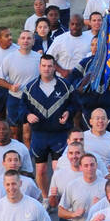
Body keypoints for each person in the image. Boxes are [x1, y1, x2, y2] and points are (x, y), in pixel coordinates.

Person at [22, 54, 74, 202]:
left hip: (59, 134)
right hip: (39, 135)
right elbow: (22, 107)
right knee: (41, 169)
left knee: (59, 169)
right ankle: (45, 198)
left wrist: (68, 112)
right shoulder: (30, 88)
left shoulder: (65, 86)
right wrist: (27, 115)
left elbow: (75, 103)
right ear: (39, 67)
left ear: (54, 67)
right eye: (44, 66)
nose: (46, 69)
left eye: (50, 66)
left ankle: (61, 197)